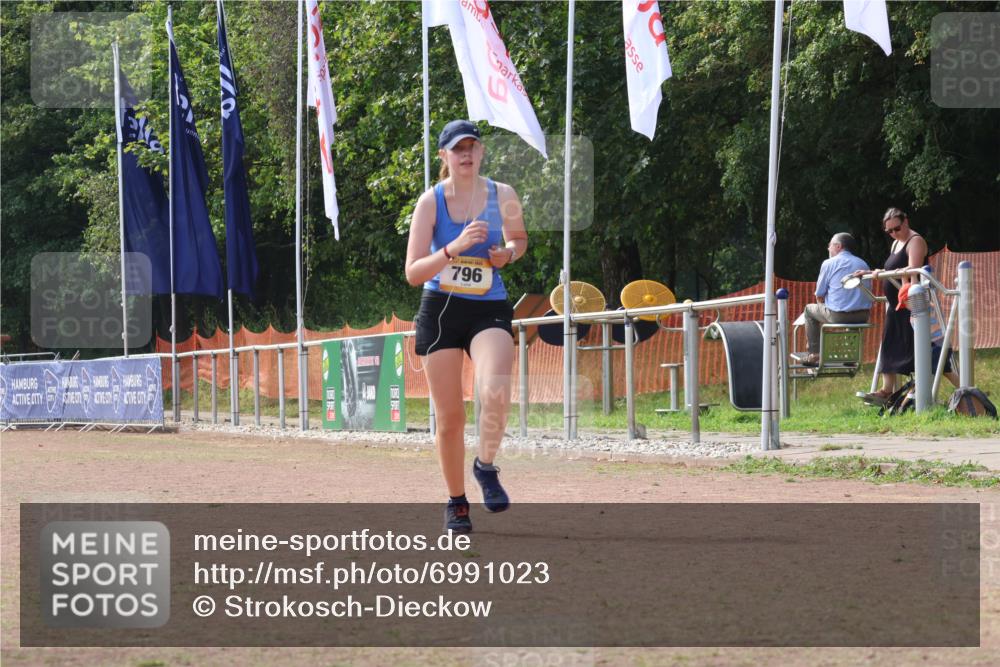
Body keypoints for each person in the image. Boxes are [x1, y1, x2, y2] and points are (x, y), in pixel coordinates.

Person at [404, 120, 528, 534]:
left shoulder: (503, 194)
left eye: (472, 147)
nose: (466, 154)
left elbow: (519, 241)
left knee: (495, 386)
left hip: (488, 305)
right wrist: (453, 248)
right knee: (451, 416)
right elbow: (413, 272)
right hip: (441, 308)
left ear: (481, 152)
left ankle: (485, 466)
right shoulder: (430, 202)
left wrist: (505, 256)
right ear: (444, 156)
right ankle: (456, 502)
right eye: (458, 149)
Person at [861, 208, 929, 404]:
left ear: (906, 221)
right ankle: (886, 390)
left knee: (914, 349)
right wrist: (875, 272)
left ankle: (918, 388)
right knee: (889, 346)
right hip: (895, 305)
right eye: (889, 231)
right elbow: (892, 270)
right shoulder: (895, 244)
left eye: (896, 228)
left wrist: (890, 273)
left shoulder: (915, 241)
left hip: (911, 304)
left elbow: (913, 270)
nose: (894, 234)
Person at [796, 233, 872, 367]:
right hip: (863, 316)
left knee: (809, 310)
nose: (828, 248)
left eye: (830, 245)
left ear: (838, 246)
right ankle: (850, 355)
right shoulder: (863, 263)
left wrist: (825, 305)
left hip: (839, 316)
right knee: (851, 306)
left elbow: (819, 294)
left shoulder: (829, 263)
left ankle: (814, 354)